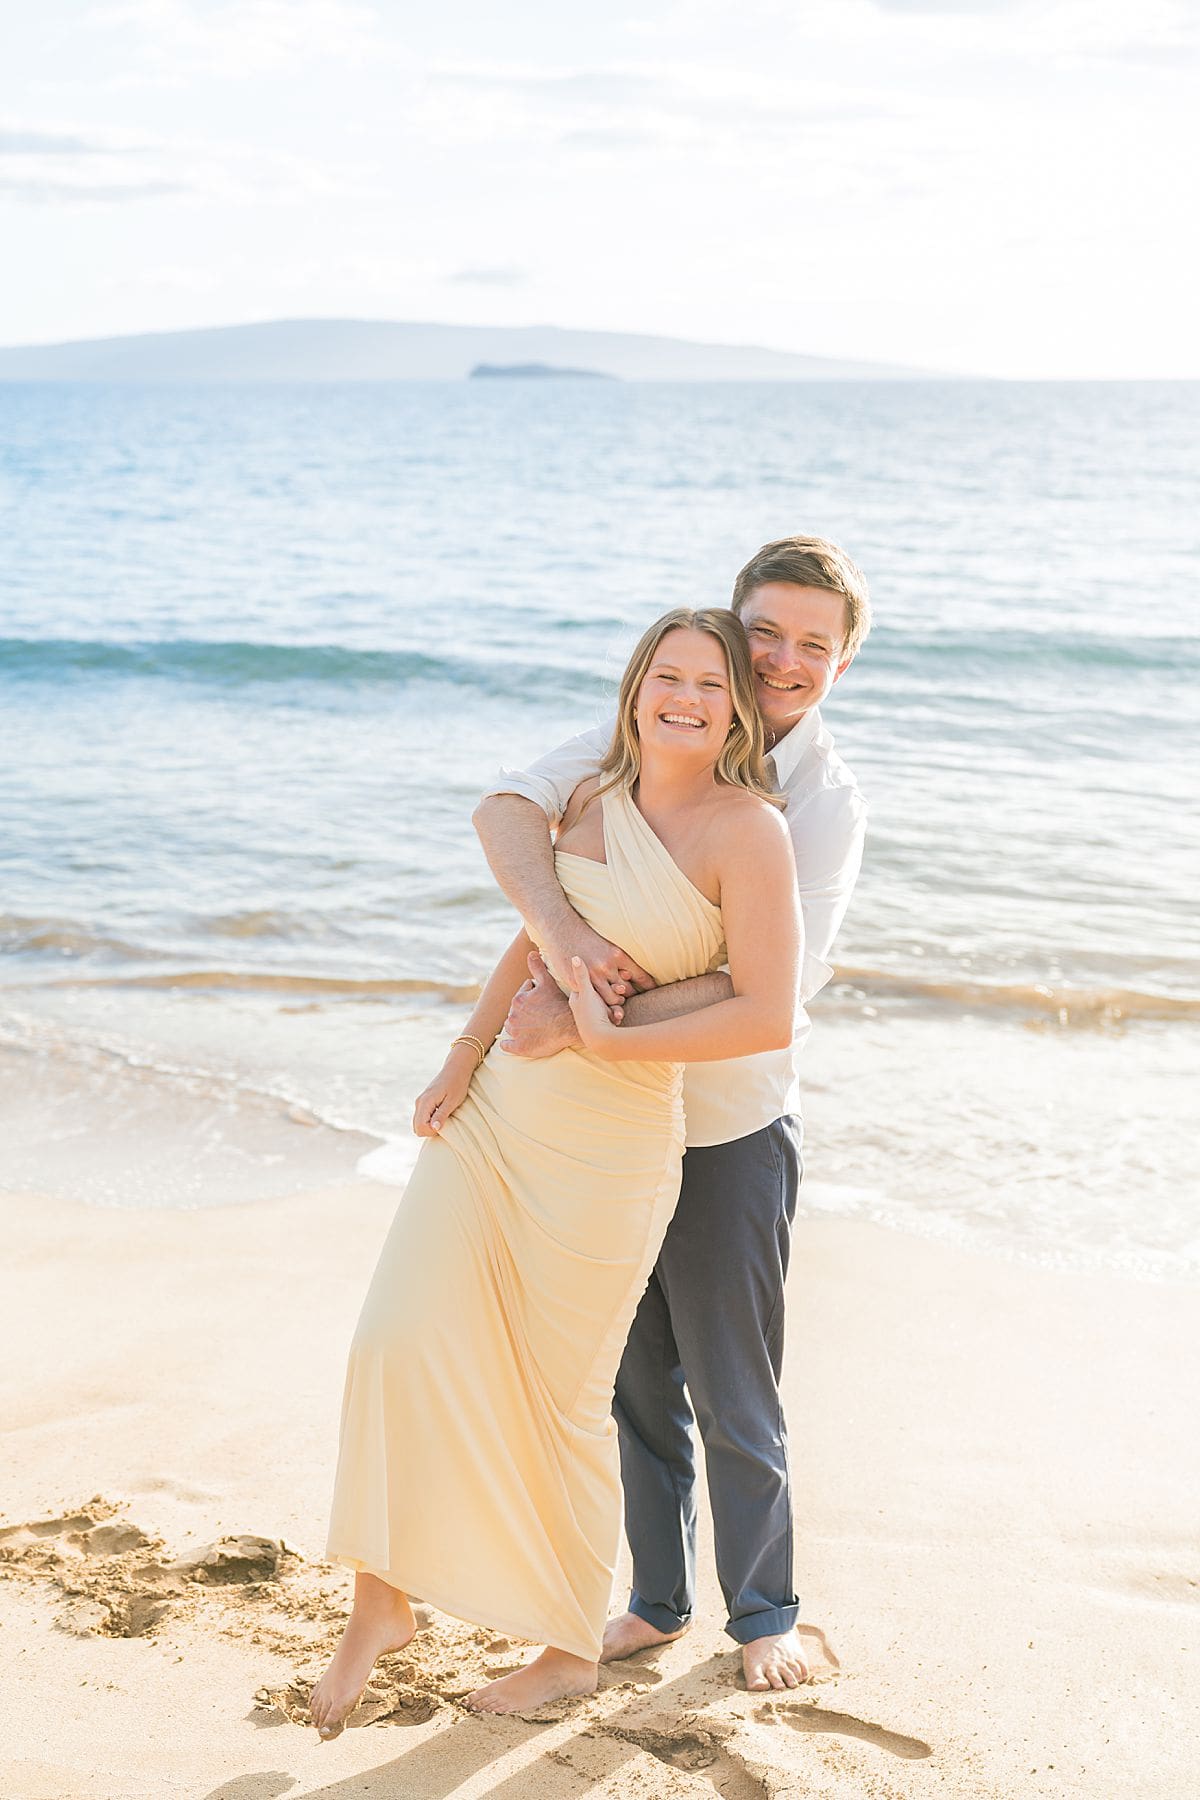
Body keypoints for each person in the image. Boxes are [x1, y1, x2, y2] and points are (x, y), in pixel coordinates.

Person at [308, 607, 802, 1737]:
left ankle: (570, 1646)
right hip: (494, 1119)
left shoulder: (749, 833)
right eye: (665, 676)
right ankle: (379, 1600)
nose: (684, 697)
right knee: (400, 1337)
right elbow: (534, 941)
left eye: (711, 683)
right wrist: (465, 1051)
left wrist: (592, 1038)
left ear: (735, 710)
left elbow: (766, 1012)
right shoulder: (588, 800)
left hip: (614, 1140)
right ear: (634, 691)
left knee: (567, 1398)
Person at [472, 536, 870, 1692]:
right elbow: (509, 816)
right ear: (728, 629)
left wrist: (596, 1013)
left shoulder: (822, 805)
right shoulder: (660, 729)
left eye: (814, 644)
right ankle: (654, 1603)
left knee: (734, 1382)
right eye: (766, 632)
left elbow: (775, 987)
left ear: (841, 665)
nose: (782, 660)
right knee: (637, 1381)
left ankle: (767, 1615)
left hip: (728, 1128)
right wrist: (572, 940)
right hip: (607, 1122)